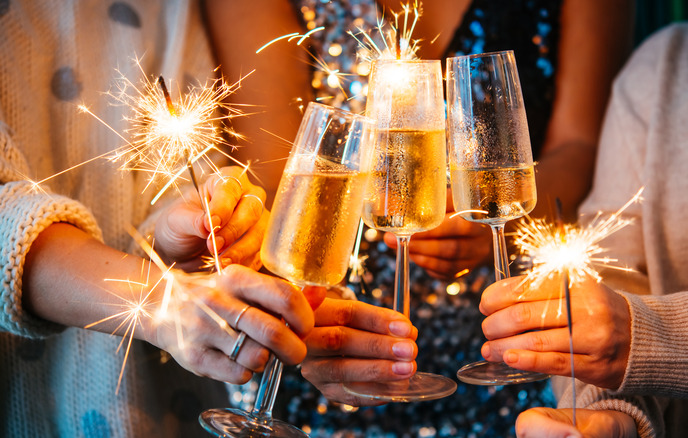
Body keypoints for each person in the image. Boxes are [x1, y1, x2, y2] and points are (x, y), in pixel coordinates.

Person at [205, 0, 635, 435]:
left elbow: (580, 145)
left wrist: (496, 216)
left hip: (505, 362)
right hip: (333, 344)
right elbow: (281, 185)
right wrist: (313, 314)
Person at [0, 1, 418, 436]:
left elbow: (165, 190)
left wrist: (172, 240)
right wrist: (164, 302)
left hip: (164, 409)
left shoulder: (186, 10)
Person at [479, 0, 688, 436]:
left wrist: (649, 336)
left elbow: (630, 327)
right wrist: (610, 411)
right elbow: (614, 272)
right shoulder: (662, 66)